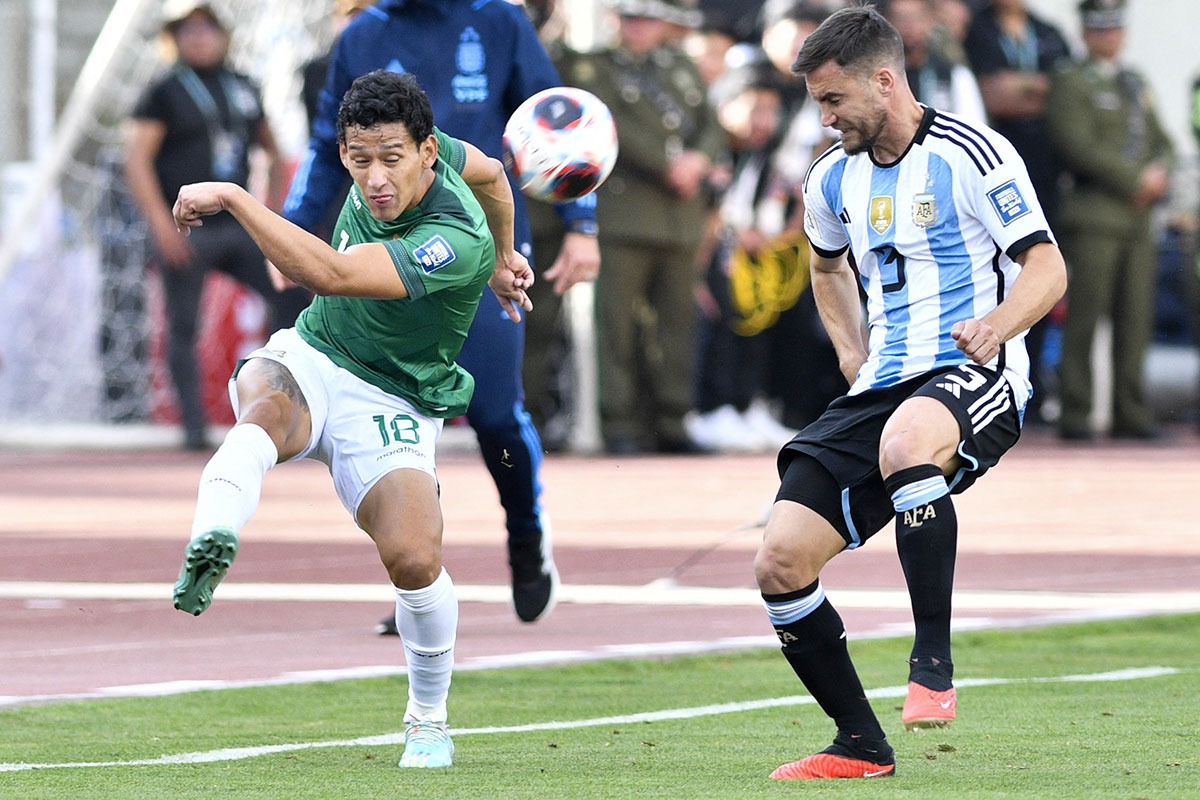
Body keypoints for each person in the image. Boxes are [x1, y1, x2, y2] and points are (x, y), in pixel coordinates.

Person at [171, 70, 533, 770]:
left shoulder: (452, 242)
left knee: (415, 557)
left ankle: (428, 719)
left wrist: (240, 199)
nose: (374, 179)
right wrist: (511, 253)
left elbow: (334, 273)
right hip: (317, 351)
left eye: (391, 158)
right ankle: (214, 527)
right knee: (264, 397)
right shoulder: (451, 154)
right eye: (358, 159)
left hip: (393, 398)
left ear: (427, 152)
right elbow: (494, 175)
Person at [753, 6, 1066, 780]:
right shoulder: (831, 176)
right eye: (816, 103)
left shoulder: (973, 152)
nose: (823, 119)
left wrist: (996, 327)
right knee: (780, 560)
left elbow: (1048, 269)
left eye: (833, 101)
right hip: (884, 383)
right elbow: (825, 269)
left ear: (884, 82)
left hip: (977, 370)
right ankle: (859, 744)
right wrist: (854, 354)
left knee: (904, 444)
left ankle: (932, 663)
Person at [285, 0, 602, 625]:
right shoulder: (364, 34)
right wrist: (293, 227)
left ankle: (526, 533)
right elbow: (329, 143)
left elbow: (552, 123)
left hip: (478, 242)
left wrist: (582, 224)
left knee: (493, 412)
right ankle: (418, 578)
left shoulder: (499, 22)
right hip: (388, 246)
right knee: (394, 404)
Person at [123, 0, 310, 450]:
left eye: (207, 28)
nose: (199, 36)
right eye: (188, 30)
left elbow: (271, 146)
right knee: (183, 325)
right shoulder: (163, 90)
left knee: (293, 296)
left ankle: (276, 406)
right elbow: (137, 161)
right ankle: (193, 431)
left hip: (238, 224)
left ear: (223, 35)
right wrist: (160, 224)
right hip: (187, 226)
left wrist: (270, 211)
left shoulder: (242, 84)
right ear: (175, 38)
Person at [562, 0, 726, 454]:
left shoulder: (678, 66)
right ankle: (620, 424)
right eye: (631, 18)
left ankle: (672, 420)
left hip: (679, 218)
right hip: (627, 214)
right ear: (616, 20)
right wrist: (667, 165)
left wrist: (700, 159)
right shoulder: (594, 68)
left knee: (677, 325)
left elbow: (709, 124)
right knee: (618, 326)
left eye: (648, 19)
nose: (639, 28)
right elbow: (607, 126)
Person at [1044, 0, 1174, 441]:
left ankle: (1130, 412)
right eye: (1100, 29)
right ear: (1085, 34)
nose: (1109, 37)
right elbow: (1075, 145)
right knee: (1084, 318)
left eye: (1115, 28)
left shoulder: (1133, 82)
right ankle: (1076, 413)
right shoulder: (1070, 81)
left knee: (1136, 321)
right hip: (1094, 216)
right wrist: (1137, 178)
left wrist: (1160, 173)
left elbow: (1164, 140)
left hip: (1137, 222)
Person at [964, 0, 1073, 426]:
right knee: (993, 274)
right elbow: (991, 96)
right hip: (990, 171)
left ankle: (1032, 387)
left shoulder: (1048, 31)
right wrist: (1040, 90)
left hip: (1045, 172)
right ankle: (983, 380)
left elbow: (1067, 93)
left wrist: (1020, 88)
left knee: (1039, 270)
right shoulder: (976, 29)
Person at [883, 0, 987, 121]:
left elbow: (973, 121)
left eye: (916, 18)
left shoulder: (953, 73)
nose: (909, 25)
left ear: (930, 21)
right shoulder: (883, 77)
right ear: (887, 22)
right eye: (900, 18)